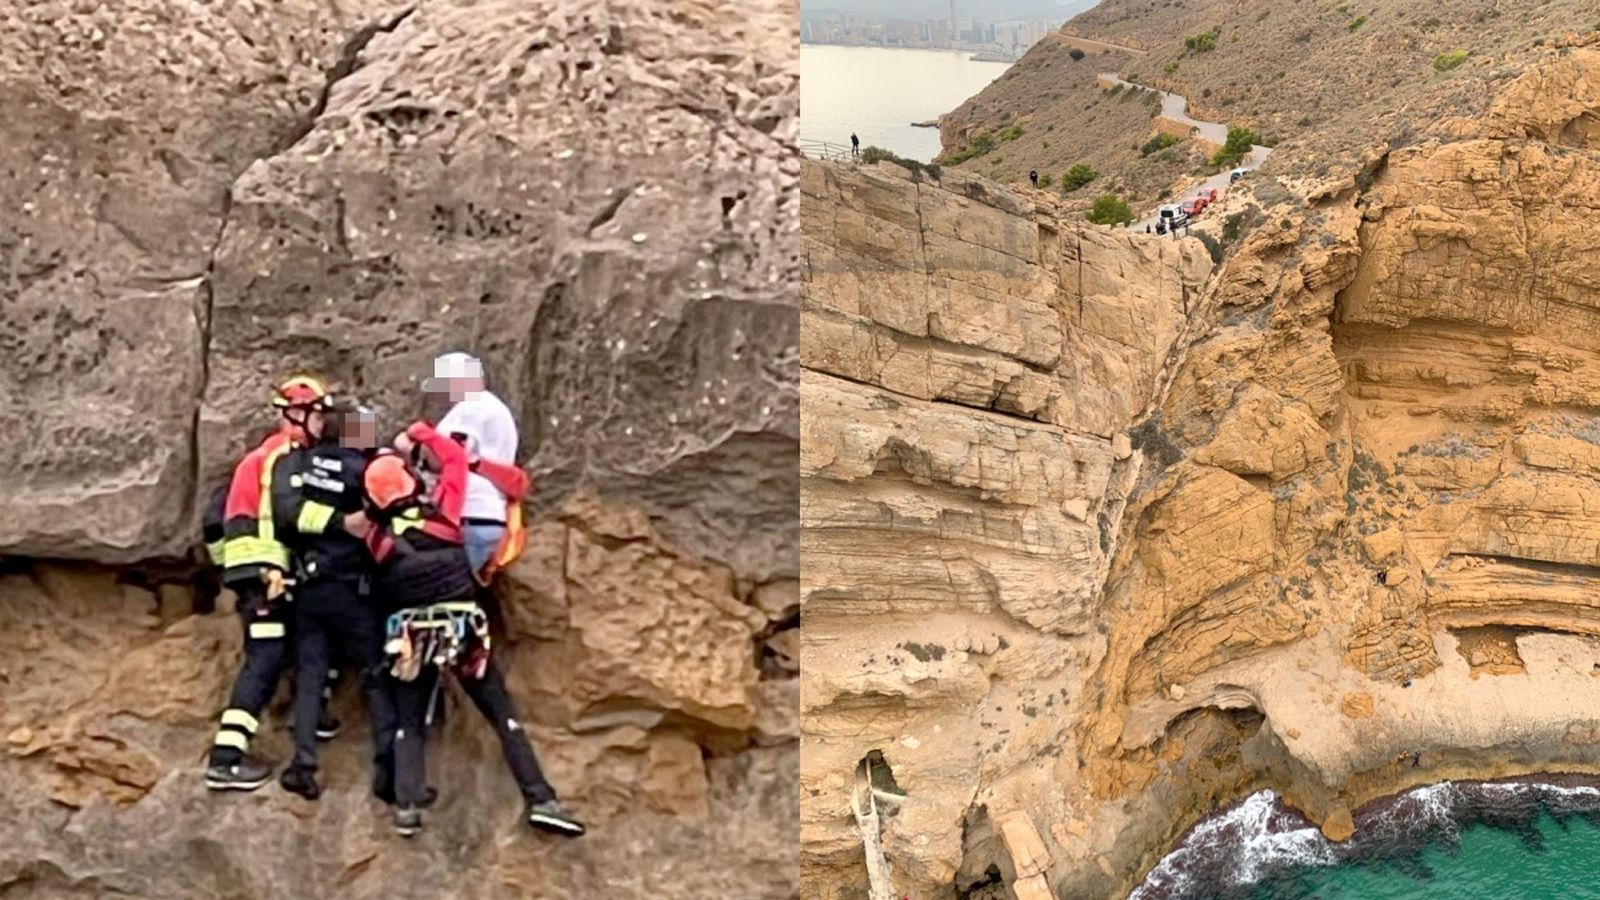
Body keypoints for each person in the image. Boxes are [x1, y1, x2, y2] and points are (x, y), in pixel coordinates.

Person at [361, 423, 583, 838]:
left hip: (412, 637)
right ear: (411, 481)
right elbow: (454, 460)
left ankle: (407, 806)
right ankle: (541, 799)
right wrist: (422, 433)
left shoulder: (377, 539)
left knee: (410, 720)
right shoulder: (445, 515)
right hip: (461, 630)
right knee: (502, 715)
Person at [205, 375, 339, 791]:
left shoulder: (253, 460)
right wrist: (344, 525)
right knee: (265, 659)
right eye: (318, 415)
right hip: (269, 573)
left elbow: (213, 520)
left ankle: (314, 714)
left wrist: (233, 569)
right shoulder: (287, 455)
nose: (321, 425)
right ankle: (225, 759)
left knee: (285, 646)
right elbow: (291, 514)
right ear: (296, 414)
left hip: (252, 573)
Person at [273, 402, 398, 801]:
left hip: (311, 586)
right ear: (353, 432)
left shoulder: (300, 465)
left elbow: (286, 514)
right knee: (377, 676)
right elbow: (392, 515)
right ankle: (388, 773)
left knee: (311, 675)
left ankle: (303, 766)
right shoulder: (366, 471)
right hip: (356, 590)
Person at [423, 352, 525, 582]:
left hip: (469, 513)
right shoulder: (496, 409)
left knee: (435, 588)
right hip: (489, 515)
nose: (444, 393)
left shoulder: (470, 408)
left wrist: (417, 445)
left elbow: (446, 456)